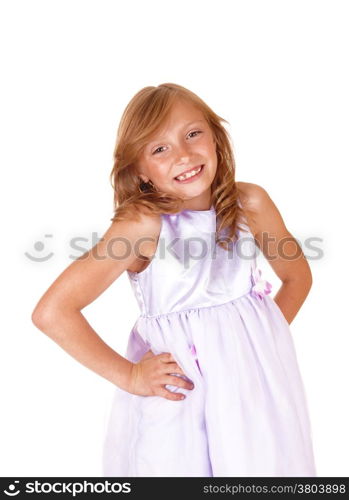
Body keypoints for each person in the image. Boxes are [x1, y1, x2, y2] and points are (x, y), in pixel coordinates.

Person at [32, 82, 317, 477]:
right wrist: (130, 375)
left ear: (217, 138)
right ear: (140, 171)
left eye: (193, 134)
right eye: (159, 149)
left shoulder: (249, 203)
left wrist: (256, 345)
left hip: (251, 394)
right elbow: (53, 312)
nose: (183, 154)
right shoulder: (142, 225)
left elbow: (297, 276)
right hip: (181, 395)